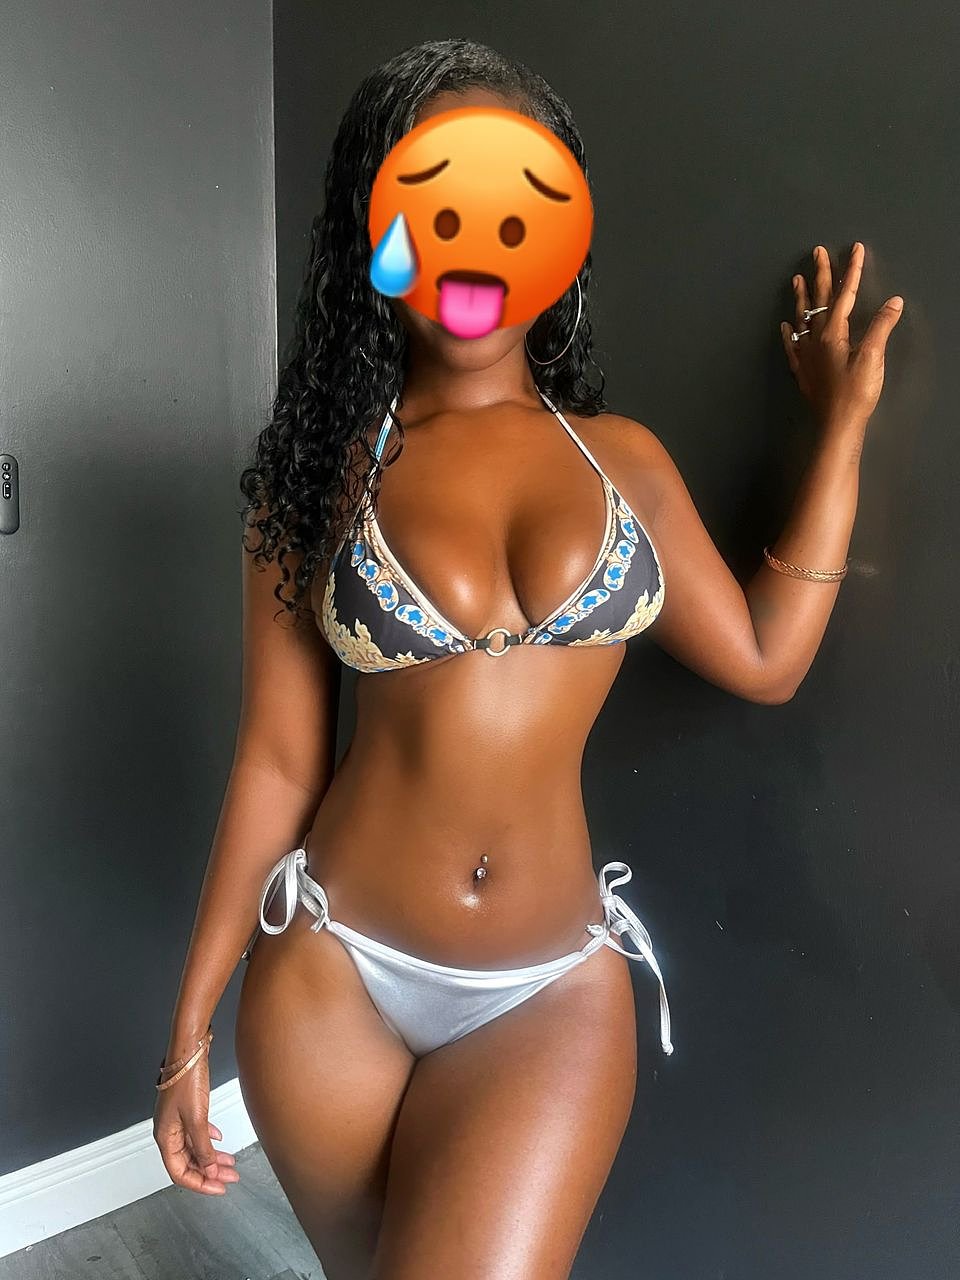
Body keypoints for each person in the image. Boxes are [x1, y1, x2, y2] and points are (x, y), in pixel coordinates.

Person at [152, 37, 903, 1280]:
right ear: (376, 232)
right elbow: (279, 761)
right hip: (329, 967)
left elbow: (766, 658)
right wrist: (188, 1027)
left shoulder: (624, 460)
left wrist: (842, 430)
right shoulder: (317, 472)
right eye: (437, 208)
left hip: (545, 989)